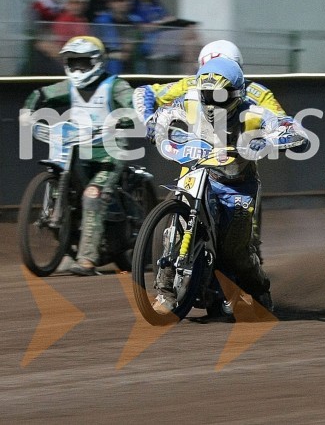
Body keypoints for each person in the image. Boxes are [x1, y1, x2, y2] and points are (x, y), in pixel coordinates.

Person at [148, 57, 308, 313]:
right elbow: (163, 113)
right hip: (200, 173)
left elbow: (293, 129)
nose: (211, 102)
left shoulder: (252, 113)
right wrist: (155, 125)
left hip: (237, 186)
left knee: (235, 251)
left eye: (220, 95)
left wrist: (274, 140)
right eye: (206, 95)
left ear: (237, 94)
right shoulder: (189, 101)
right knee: (176, 228)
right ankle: (165, 293)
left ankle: (259, 290)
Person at [133, 39, 286, 261]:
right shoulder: (191, 85)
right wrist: (150, 121)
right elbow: (144, 92)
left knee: (242, 238)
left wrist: (268, 140)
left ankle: (247, 262)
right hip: (197, 157)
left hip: (236, 164)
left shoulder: (258, 94)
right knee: (180, 203)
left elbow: (282, 122)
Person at [20, 36, 135, 276]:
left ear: (97, 62)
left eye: (83, 63)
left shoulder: (115, 85)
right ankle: (68, 243)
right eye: (73, 63)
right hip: (76, 150)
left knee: (92, 196)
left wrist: (125, 117)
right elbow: (41, 94)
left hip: (109, 154)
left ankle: (87, 259)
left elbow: (132, 104)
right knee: (70, 191)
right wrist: (28, 113)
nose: (78, 68)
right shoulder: (69, 86)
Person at [93, 0, 140, 75]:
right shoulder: (101, 22)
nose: (122, 3)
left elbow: (135, 47)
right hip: (109, 67)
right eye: (117, 0)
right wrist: (114, 55)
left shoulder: (135, 22)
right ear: (110, 3)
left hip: (131, 66)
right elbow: (95, 50)